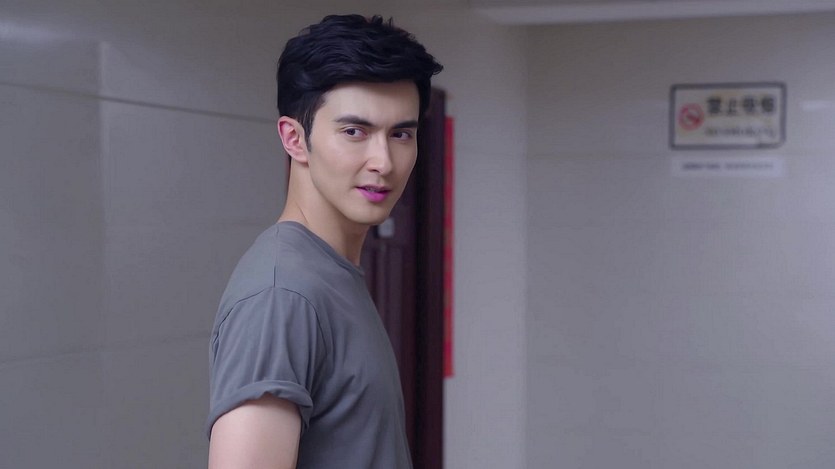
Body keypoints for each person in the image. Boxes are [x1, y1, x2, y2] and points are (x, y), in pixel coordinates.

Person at [205, 14, 443, 469]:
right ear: (295, 138)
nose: (384, 161)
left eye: (401, 134)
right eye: (355, 132)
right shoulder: (283, 295)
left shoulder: (329, 272)